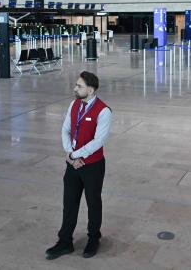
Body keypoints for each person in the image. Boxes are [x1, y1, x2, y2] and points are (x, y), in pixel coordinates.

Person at [46, 71, 112, 260]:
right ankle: (65, 241)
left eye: (79, 86)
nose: (75, 88)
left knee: (93, 203)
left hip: (93, 166)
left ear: (90, 90)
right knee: (69, 203)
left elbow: (98, 141)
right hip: (72, 164)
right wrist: (69, 153)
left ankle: (93, 238)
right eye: (76, 85)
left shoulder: (104, 111)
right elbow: (65, 130)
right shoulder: (74, 104)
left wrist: (76, 154)